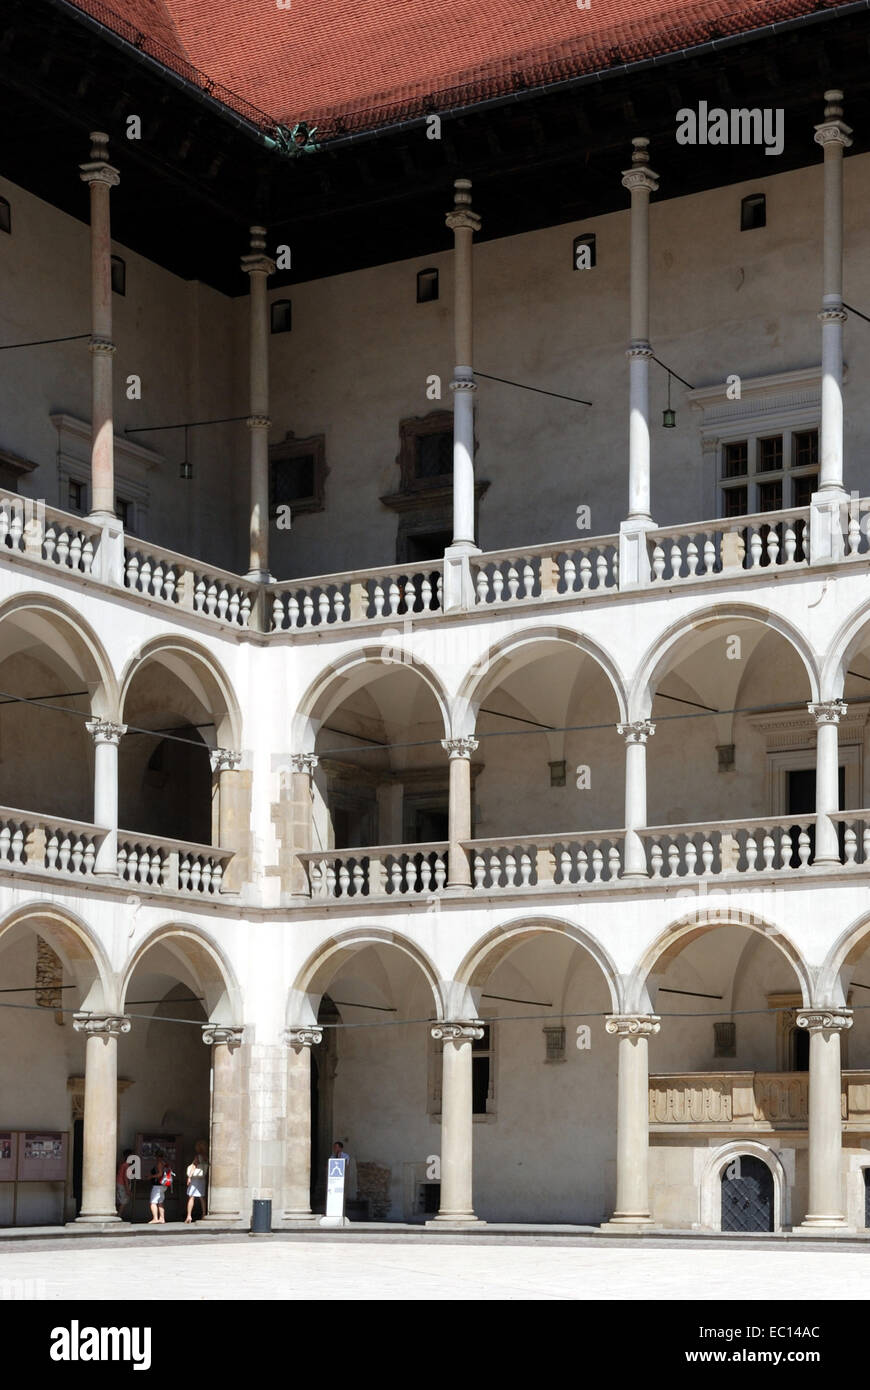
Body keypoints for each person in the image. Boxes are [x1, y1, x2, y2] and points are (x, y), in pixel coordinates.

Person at [184, 1140, 208, 1223]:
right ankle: (204, 1214)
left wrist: (189, 1177)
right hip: (202, 1179)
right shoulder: (207, 1156)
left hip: (195, 1179)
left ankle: (189, 1216)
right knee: (202, 1197)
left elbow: (194, 1166)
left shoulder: (198, 1156)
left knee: (191, 1197)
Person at [148, 1150, 173, 1224]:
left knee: (153, 1202)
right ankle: (162, 1218)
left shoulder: (159, 1163)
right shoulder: (165, 1163)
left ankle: (155, 1218)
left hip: (157, 1185)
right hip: (164, 1185)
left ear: (157, 1156)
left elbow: (160, 1174)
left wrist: (151, 1176)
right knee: (160, 1202)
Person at [115, 1151, 135, 1219]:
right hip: (122, 1185)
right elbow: (125, 1178)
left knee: (120, 1201)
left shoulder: (122, 1164)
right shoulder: (126, 1166)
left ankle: (117, 1215)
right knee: (123, 1201)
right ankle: (118, 1216)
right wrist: (127, 1190)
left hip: (119, 1183)